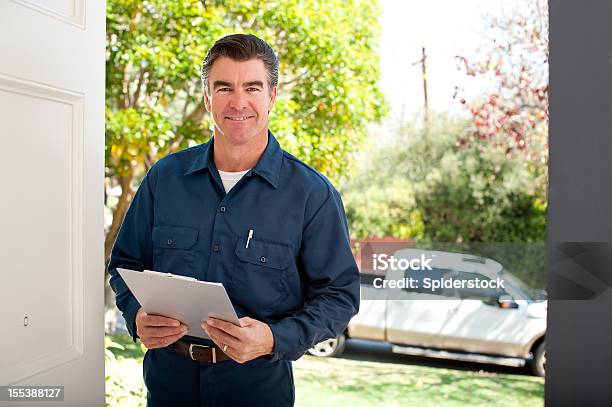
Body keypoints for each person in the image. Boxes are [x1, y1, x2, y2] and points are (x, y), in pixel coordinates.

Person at [107, 33, 360, 407]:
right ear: (207, 98)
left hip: (258, 389)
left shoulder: (312, 194)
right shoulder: (164, 178)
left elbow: (339, 296)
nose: (238, 102)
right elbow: (125, 264)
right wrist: (136, 315)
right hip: (167, 386)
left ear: (271, 97)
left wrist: (275, 338)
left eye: (252, 87)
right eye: (224, 87)